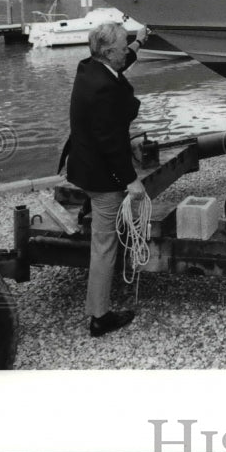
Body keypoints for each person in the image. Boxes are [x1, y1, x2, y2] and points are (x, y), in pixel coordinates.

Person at [65, 22, 148, 336]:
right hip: (101, 177)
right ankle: (99, 316)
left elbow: (121, 65)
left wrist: (140, 42)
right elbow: (110, 142)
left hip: (83, 166)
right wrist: (130, 181)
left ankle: (98, 307)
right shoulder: (104, 89)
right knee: (104, 245)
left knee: (104, 239)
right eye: (123, 46)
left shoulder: (89, 68)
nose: (127, 50)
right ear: (108, 52)